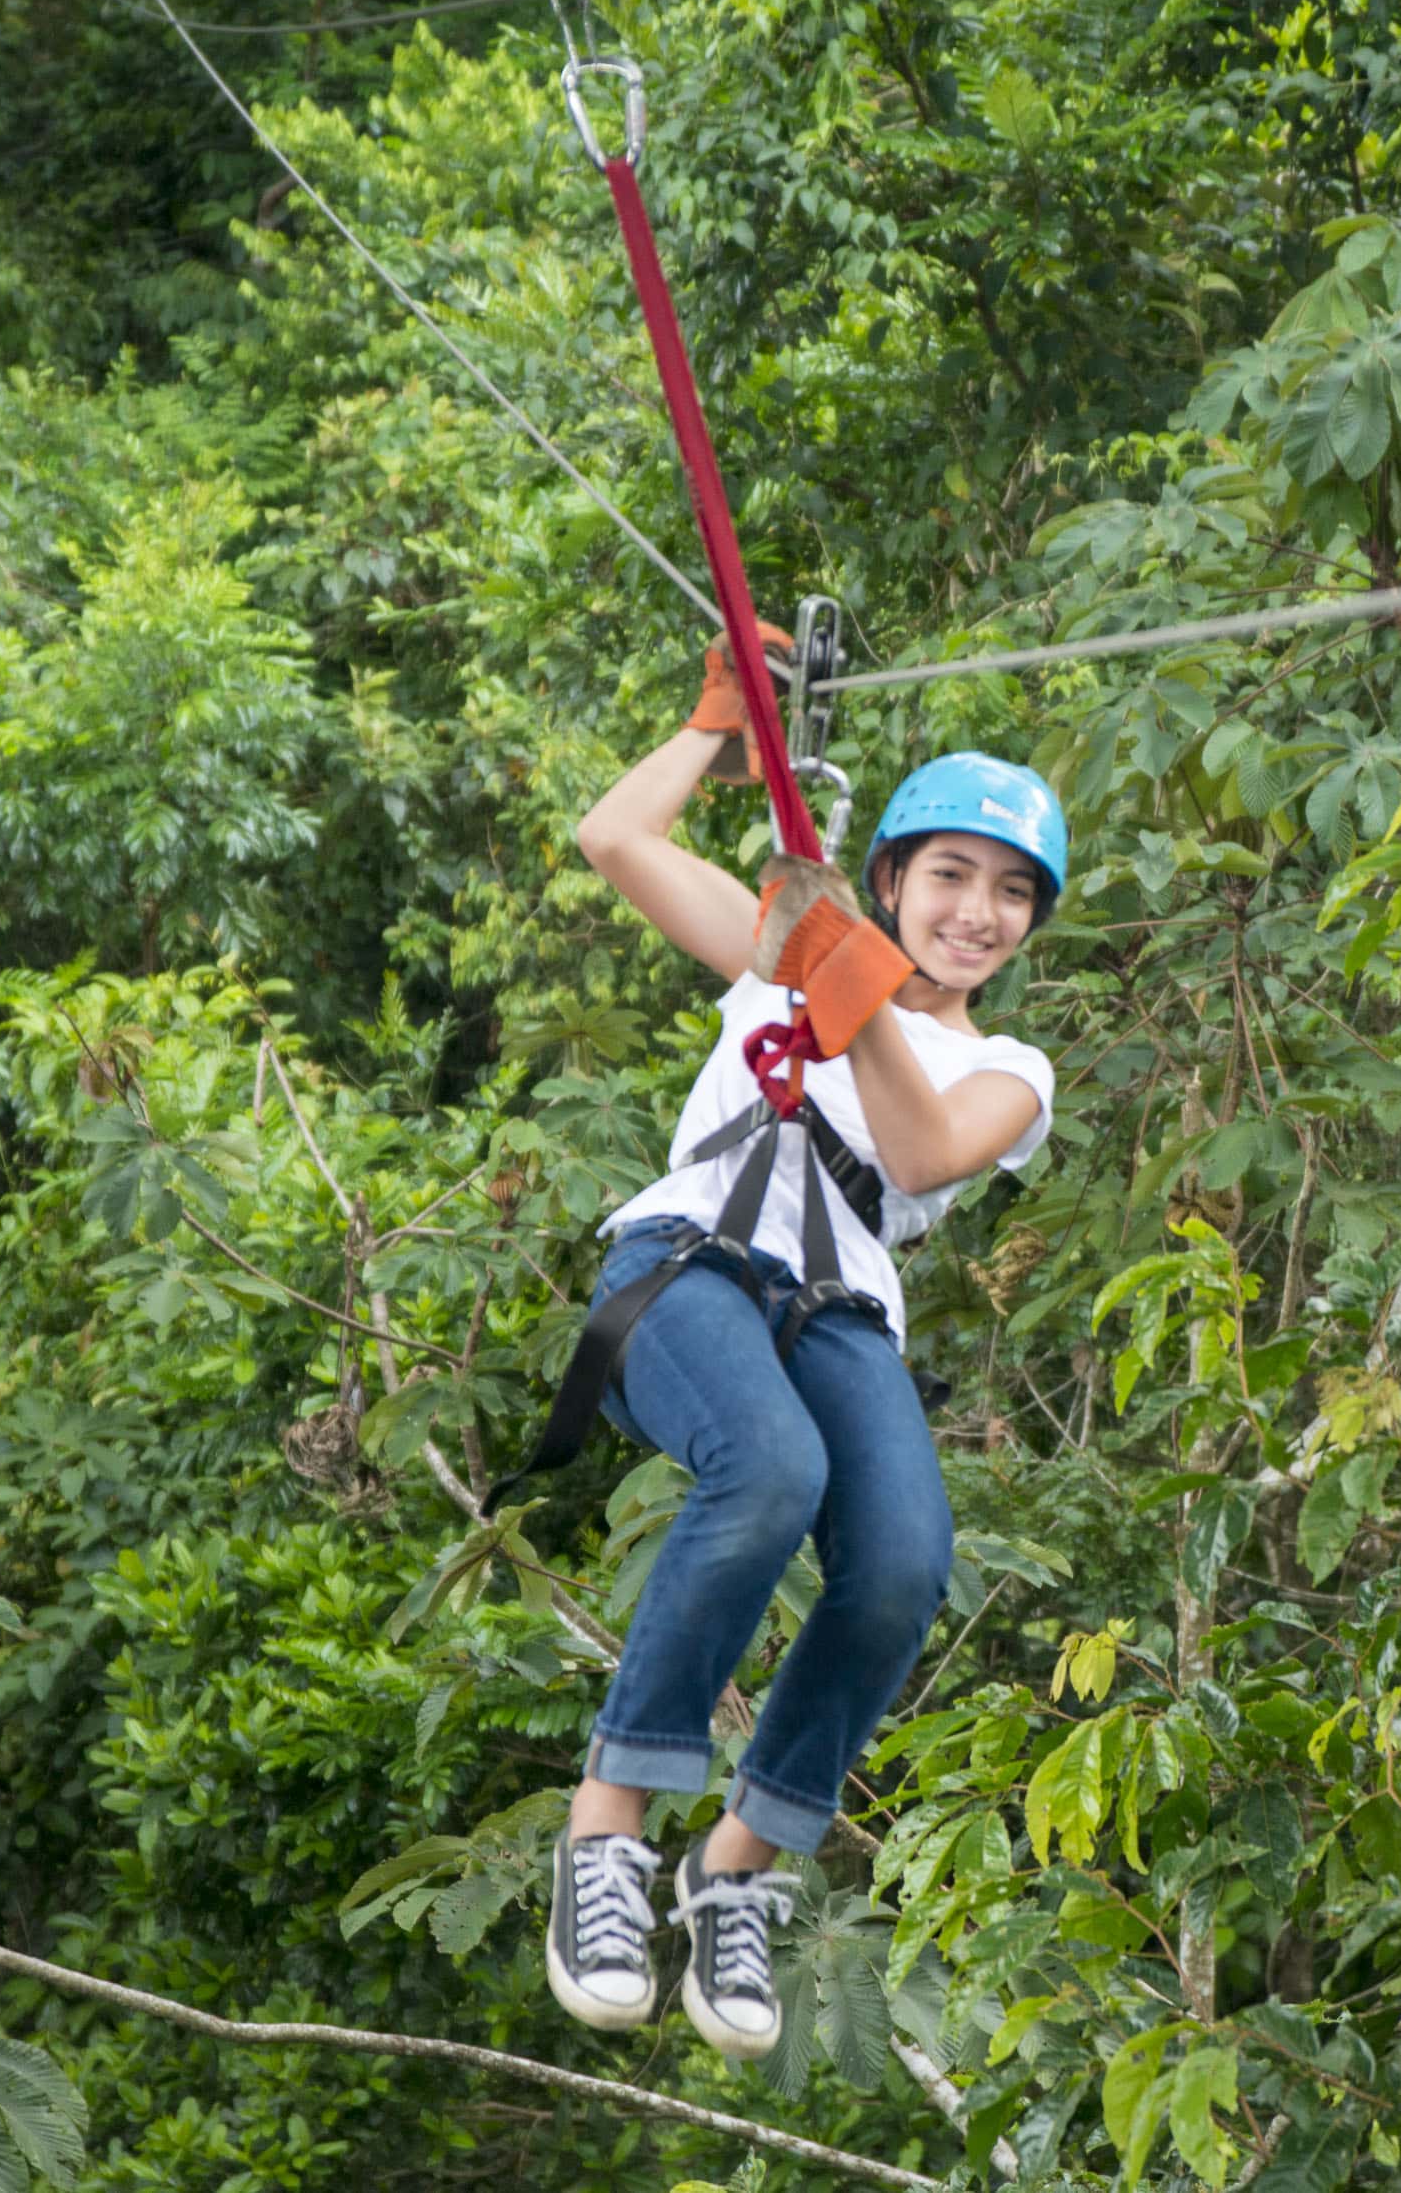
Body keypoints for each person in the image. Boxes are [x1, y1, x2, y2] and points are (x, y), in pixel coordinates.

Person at [542, 630, 1068, 2059]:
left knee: (903, 1560)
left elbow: (917, 1140)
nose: (979, 912)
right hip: (693, 1267)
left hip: (839, 1312)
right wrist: (720, 727)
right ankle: (605, 1834)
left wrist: (858, 991)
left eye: (1012, 892)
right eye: (951, 876)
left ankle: (740, 1870)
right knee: (765, 1470)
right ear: (892, 874)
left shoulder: (1010, 1071)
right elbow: (616, 836)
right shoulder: (782, 958)